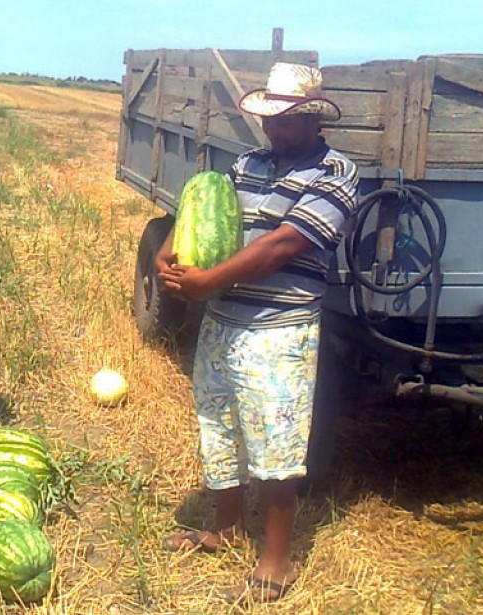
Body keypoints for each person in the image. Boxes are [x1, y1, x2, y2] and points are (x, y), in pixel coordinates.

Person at [158, 63, 359, 603]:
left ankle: (277, 558)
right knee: (218, 428)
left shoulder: (336, 172)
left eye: (288, 120)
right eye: (271, 118)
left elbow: (283, 245)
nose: (275, 129)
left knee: (275, 448)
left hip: (279, 332)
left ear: (315, 119)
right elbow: (203, 201)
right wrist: (169, 251)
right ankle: (224, 529)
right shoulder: (248, 163)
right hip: (222, 323)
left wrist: (207, 282)